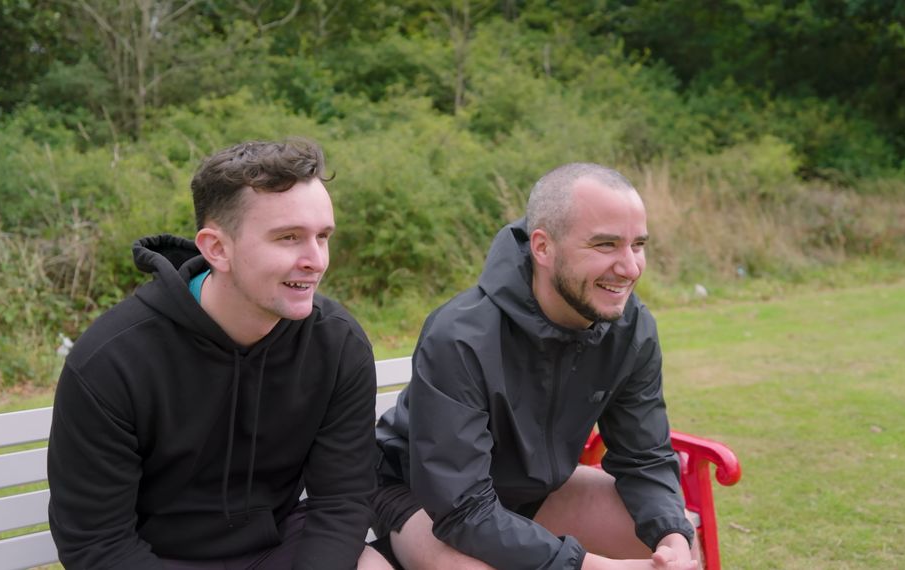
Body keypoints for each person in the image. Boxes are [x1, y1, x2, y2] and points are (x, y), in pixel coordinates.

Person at [48, 139, 392, 569]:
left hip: (279, 547)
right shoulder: (111, 362)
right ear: (216, 248)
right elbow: (97, 543)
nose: (315, 260)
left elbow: (341, 500)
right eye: (288, 238)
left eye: (322, 236)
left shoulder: (337, 344)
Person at [372, 163, 697, 570]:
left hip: (533, 492)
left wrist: (672, 537)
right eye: (605, 245)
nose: (630, 267)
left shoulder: (631, 329)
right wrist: (591, 566)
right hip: (423, 498)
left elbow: (644, 457)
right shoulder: (460, 335)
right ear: (542, 247)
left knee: (674, 538)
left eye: (638, 245)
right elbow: (462, 509)